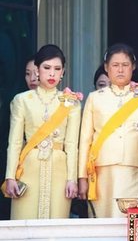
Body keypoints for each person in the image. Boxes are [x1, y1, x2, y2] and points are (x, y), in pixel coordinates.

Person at [78, 43, 138, 218]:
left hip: (137, 167)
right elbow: (85, 140)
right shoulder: (95, 98)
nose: (120, 70)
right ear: (106, 68)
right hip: (102, 171)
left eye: (125, 65)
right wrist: (82, 177)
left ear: (133, 67)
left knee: (132, 222)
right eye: (115, 65)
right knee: (103, 222)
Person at [3, 44, 82, 219]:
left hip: (60, 169)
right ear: (37, 70)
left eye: (57, 69)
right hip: (28, 167)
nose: (52, 73)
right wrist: (10, 177)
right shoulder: (22, 100)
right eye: (46, 68)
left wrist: (72, 179)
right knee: (24, 226)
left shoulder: (71, 102)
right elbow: (15, 142)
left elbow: (71, 145)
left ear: (63, 72)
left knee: (56, 229)